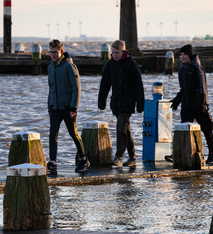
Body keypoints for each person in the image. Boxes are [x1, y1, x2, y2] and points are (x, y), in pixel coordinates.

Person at [167, 44, 213, 164]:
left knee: (207, 130)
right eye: (180, 55)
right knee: (183, 130)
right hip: (187, 106)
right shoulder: (181, 69)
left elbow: (202, 87)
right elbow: (183, 89)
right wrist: (177, 100)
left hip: (199, 105)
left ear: (190, 55)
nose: (182, 56)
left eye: (185, 54)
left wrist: (201, 103)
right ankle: (177, 154)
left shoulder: (197, 67)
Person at [98, 39, 145, 167]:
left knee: (120, 126)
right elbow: (105, 84)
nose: (114, 55)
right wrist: (102, 102)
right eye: (112, 53)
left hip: (128, 101)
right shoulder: (110, 64)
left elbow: (139, 85)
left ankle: (119, 156)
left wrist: (140, 104)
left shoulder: (131, 64)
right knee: (126, 130)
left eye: (117, 52)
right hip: (116, 102)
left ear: (123, 51)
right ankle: (132, 157)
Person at [47, 39, 89, 174]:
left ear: (61, 52)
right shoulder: (50, 67)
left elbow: (77, 88)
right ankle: (52, 163)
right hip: (55, 107)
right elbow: (51, 88)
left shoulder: (69, 67)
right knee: (53, 134)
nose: (53, 55)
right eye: (51, 52)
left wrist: (74, 108)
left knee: (73, 133)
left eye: (55, 52)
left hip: (68, 108)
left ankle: (83, 159)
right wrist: (49, 106)